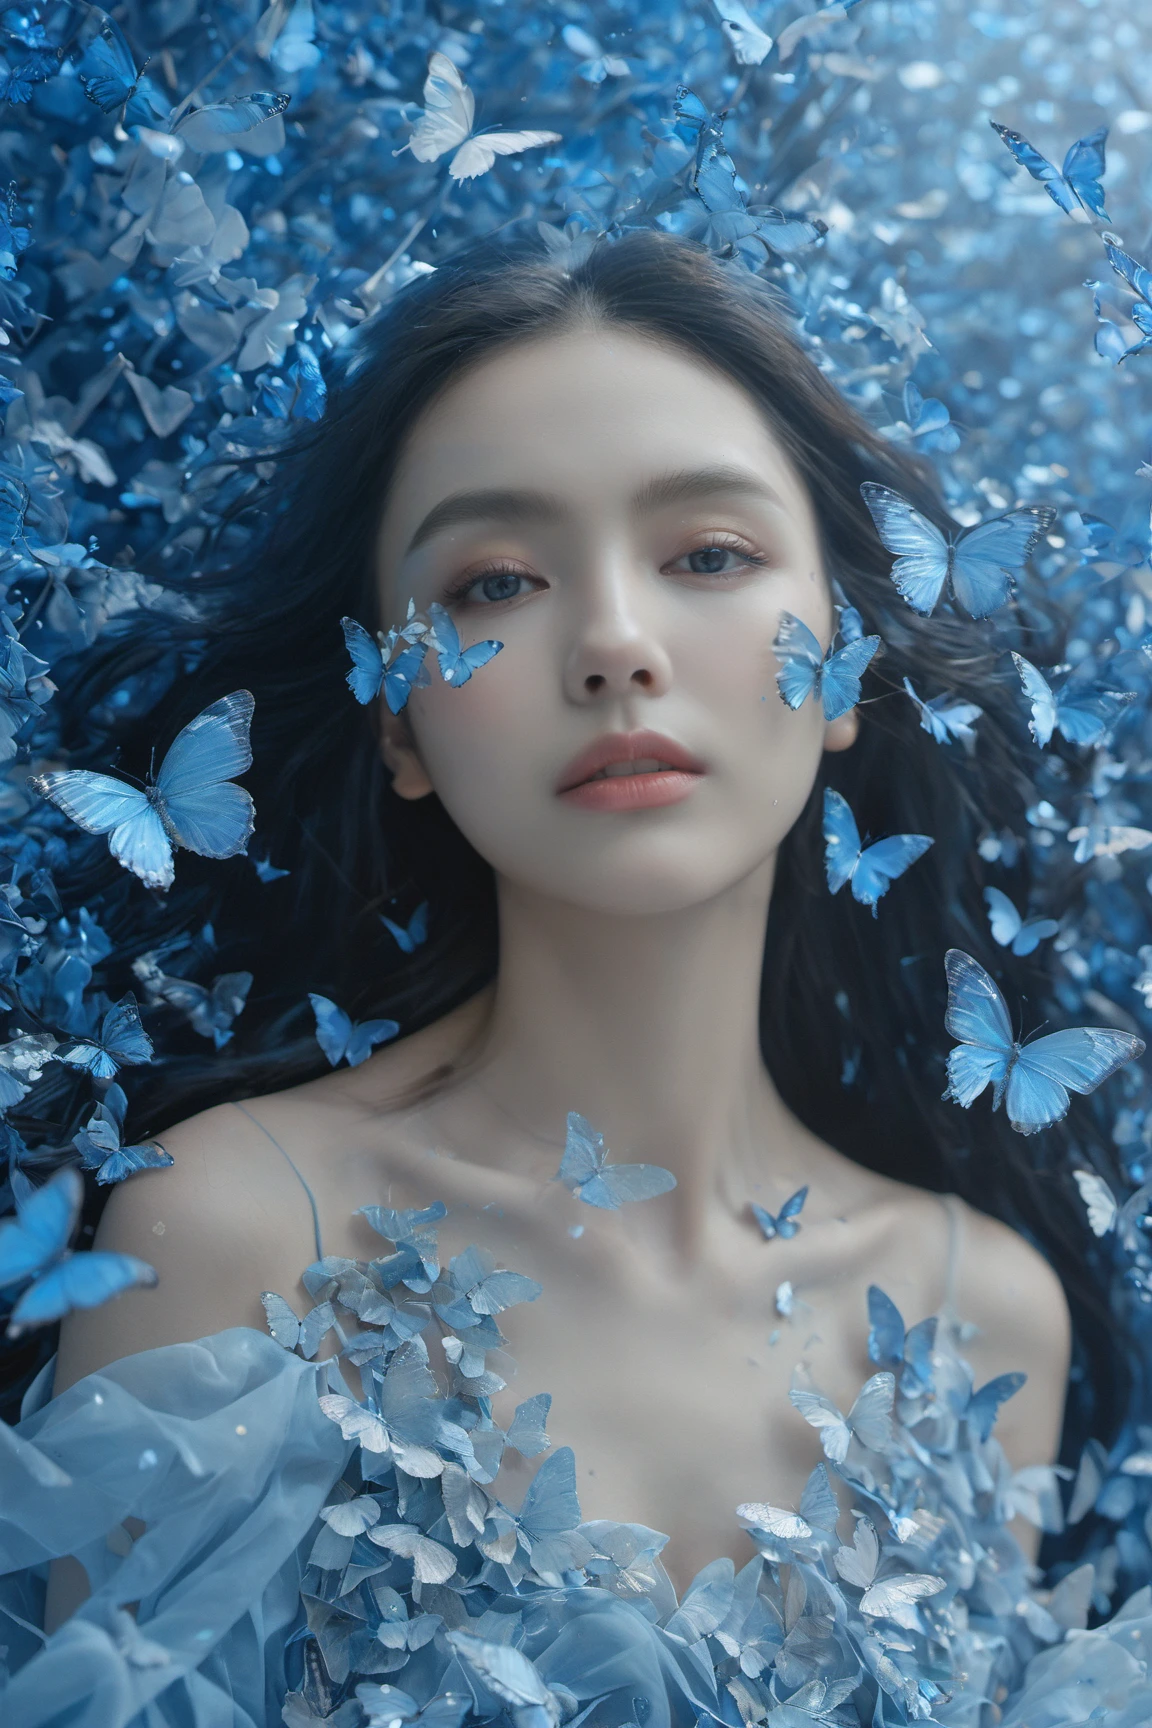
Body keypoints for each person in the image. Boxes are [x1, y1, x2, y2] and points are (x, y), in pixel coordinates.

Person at [0, 229, 1137, 1725]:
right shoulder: (236, 1232)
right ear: (395, 722)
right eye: (495, 583)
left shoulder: (981, 1315)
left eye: (710, 556)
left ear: (846, 659)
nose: (613, 642)